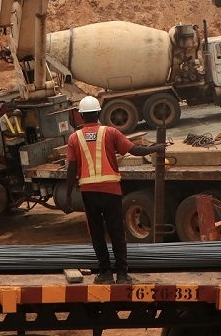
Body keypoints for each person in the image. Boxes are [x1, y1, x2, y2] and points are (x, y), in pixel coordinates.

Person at [63, 96, 165, 285]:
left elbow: (71, 169)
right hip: (111, 190)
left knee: (97, 233)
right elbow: (134, 150)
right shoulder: (110, 132)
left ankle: (105, 273)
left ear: (81, 116)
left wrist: (68, 196)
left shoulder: (74, 138)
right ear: (99, 113)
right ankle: (122, 275)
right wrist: (156, 148)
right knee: (117, 232)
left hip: (89, 192)